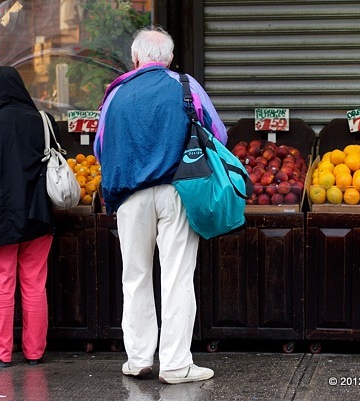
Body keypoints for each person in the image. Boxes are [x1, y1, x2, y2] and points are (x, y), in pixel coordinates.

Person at [94, 26, 227, 384]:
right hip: (177, 191)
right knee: (177, 277)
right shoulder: (186, 86)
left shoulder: (115, 94)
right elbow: (219, 134)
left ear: (136, 59)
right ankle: (175, 364)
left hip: (129, 198)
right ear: (169, 59)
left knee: (135, 277)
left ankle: (138, 359)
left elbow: (99, 148)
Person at [0, 66, 57, 367]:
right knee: (34, 284)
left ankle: (1, 354)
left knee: (1, 286)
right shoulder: (43, 121)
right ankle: (35, 352)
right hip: (38, 216)